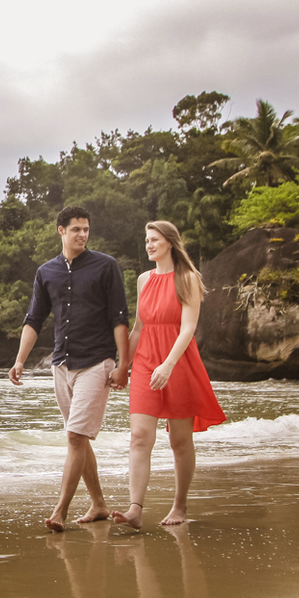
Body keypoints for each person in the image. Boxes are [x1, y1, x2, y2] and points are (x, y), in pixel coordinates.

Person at [9, 206, 131, 532]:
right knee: (79, 438)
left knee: (75, 435)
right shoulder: (46, 272)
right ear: (60, 230)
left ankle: (60, 510)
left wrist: (123, 363)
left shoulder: (106, 266)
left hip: (97, 362)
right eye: (76, 229)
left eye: (86, 229)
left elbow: (120, 318)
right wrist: (21, 360)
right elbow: (34, 319)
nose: (82, 234)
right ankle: (99, 504)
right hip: (61, 365)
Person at [112, 221, 226, 530]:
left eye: (154, 240)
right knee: (139, 437)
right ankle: (135, 509)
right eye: (147, 240)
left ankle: (180, 504)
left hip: (178, 362)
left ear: (170, 243)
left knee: (179, 440)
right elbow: (138, 328)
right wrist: (124, 365)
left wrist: (169, 365)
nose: (149, 245)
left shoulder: (187, 278)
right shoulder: (143, 279)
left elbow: (188, 328)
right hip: (147, 362)